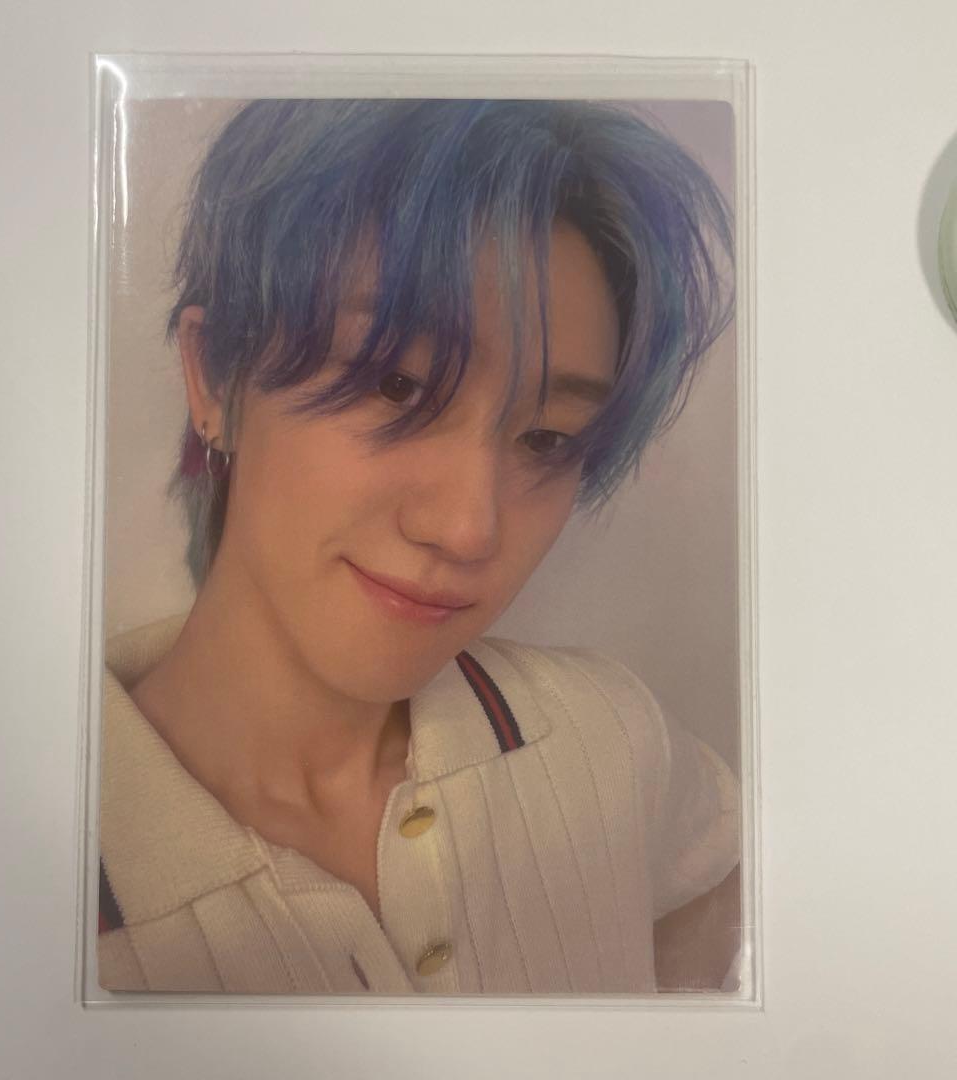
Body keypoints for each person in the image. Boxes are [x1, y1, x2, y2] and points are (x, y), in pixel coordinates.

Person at [96, 98, 740, 995]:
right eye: (397, 386)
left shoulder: (609, 735)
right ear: (215, 378)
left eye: (548, 438)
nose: (469, 528)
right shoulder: (8, 865)